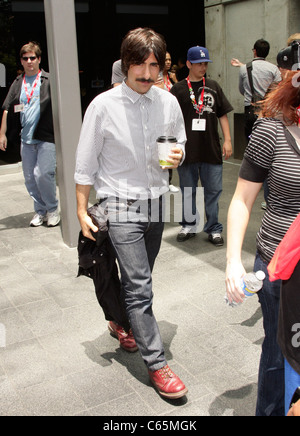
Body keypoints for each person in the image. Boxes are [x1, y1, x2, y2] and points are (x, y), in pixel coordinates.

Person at [74, 28, 188, 400]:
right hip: (119, 205)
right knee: (140, 285)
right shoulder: (103, 106)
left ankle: (119, 320)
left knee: (140, 278)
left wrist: (179, 155)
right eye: (139, 64)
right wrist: (80, 209)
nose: (146, 73)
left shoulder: (167, 102)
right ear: (126, 63)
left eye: (153, 65)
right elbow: (85, 163)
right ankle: (157, 364)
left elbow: (180, 142)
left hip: (157, 203)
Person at [225, 69, 300, 415]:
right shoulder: (271, 130)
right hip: (279, 267)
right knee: (280, 349)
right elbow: (241, 200)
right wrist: (232, 262)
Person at [171, 46, 233, 245]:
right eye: (199, 64)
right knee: (188, 190)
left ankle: (214, 228)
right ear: (188, 64)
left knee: (213, 191)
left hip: (211, 149)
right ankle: (189, 225)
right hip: (187, 150)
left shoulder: (213, 86)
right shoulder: (179, 89)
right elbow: (170, 119)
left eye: (205, 63)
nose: (203, 67)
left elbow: (222, 113)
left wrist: (228, 140)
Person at [0, 41, 60, 227]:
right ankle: (40, 211)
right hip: (26, 139)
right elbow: (7, 109)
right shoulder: (18, 83)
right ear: (22, 61)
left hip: (46, 137)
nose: (29, 61)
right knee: (29, 178)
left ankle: (52, 209)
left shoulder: (49, 81)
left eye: (32, 57)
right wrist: (2, 134)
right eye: (25, 58)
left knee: (42, 174)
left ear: (39, 59)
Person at [237, 39, 281, 141]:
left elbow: (241, 90)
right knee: (267, 139)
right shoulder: (274, 69)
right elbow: (278, 89)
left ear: (254, 51)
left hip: (250, 109)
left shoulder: (244, 68)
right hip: (269, 109)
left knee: (250, 140)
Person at [156, 51, 179, 193]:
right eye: (166, 60)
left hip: (172, 117)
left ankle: (168, 181)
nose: (168, 62)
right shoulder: (156, 77)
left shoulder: (171, 77)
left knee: (170, 148)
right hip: (160, 117)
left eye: (170, 59)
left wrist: (175, 80)